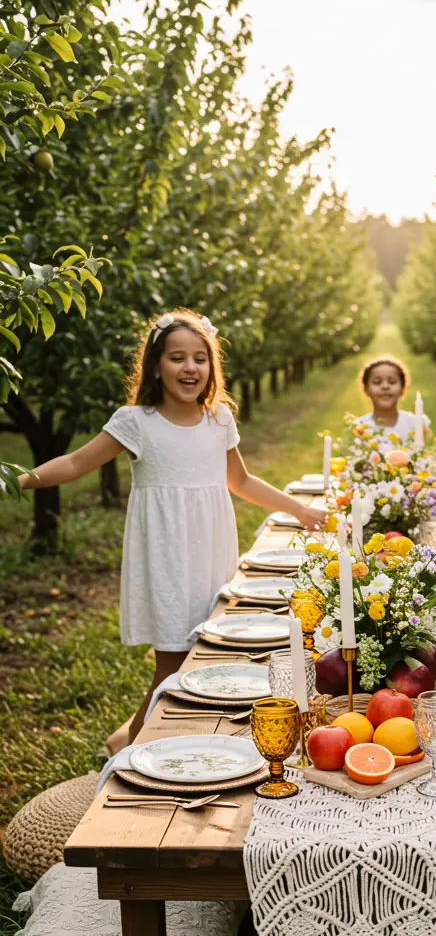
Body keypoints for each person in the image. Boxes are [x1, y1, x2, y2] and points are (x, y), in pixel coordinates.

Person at [19, 309, 325, 747]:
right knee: (172, 667)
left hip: (210, 550)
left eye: (200, 358)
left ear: (212, 366)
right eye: (177, 358)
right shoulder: (136, 421)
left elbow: (239, 481)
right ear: (156, 367)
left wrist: (299, 509)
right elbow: (74, 463)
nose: (190, 368)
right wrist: (17, 480)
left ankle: (150, 738)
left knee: (205, 654)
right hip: (166, 555)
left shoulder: (218, 420)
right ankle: (131, 750)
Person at [357, 355, 431, 449]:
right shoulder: (359, 427)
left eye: (392, 382)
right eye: (377, 382)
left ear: (403, 388)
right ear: (366, 389)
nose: (385, 386)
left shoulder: (415, 423)